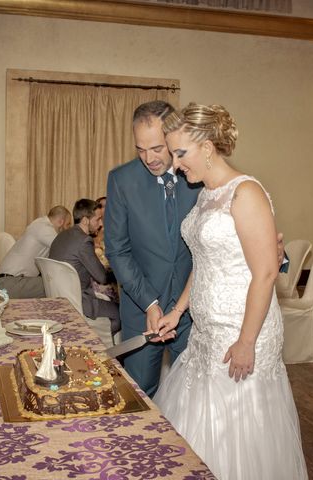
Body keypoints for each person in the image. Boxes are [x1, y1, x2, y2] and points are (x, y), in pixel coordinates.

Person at [152, 103, 307, 480]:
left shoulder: (246, 192)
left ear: (207, 147)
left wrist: (247, 341)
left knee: (236, 431)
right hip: (207, 334)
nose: (175, 164)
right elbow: (203, 264)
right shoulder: (206, 194)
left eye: (180, 153)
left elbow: (267, 272)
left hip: (240, 332)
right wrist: (178, 311)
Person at [104, 101, 201, 397]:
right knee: (139, 396)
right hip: (141, 308)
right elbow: (117, 250)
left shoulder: (198, 176)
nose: (149, 158)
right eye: (140, 149)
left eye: (157, 148)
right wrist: (149, 302)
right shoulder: (122, 180)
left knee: (195, 394)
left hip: (193, 309)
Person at [49, 199, 121, 334]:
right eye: (98, 219)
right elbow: (102, 278)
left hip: (59, 298)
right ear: (85, 220)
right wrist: (117, 270)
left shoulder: (61, 235)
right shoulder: (84, 240)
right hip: (80, 301)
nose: (100, 224)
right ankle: (97, 347)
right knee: (120, 313)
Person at [0, 205, 71, 299]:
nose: (69, 229)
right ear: (61, 222)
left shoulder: (39, 223)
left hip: (6, 281)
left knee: (52, 282)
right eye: (68, 224)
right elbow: (67, 248)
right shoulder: (45, 229)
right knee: (57, 285)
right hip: (11, 283)